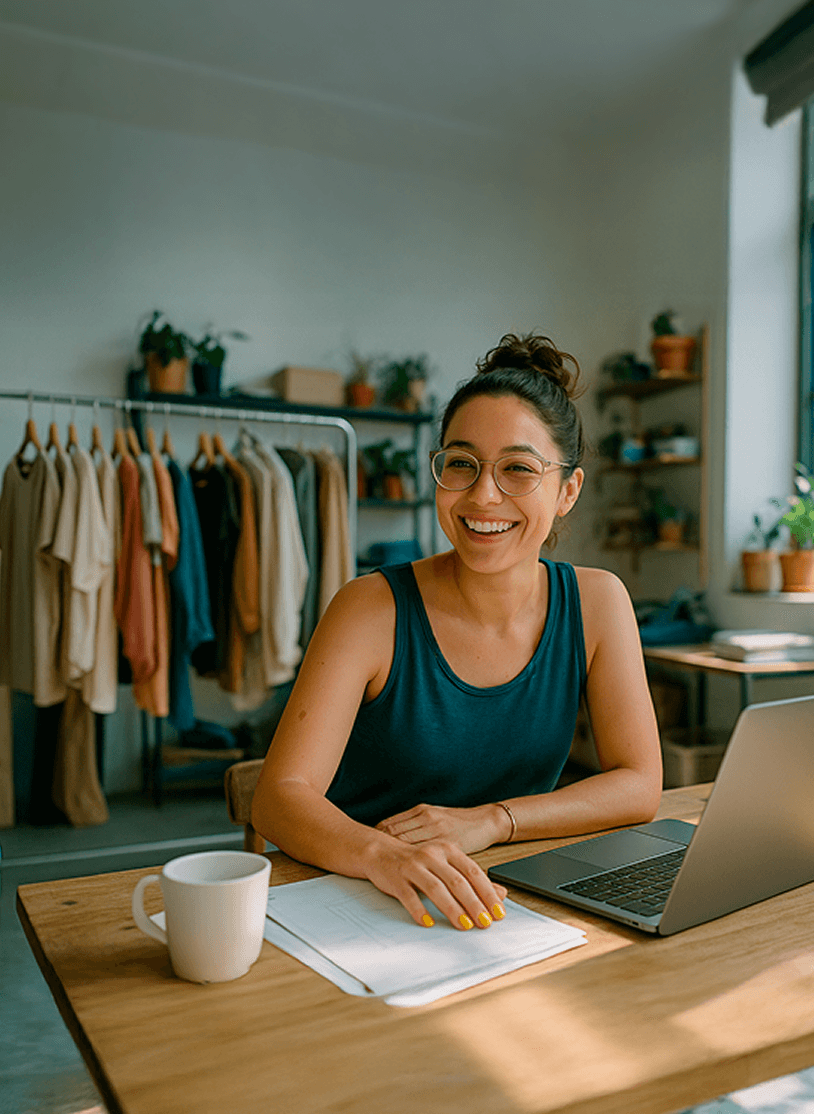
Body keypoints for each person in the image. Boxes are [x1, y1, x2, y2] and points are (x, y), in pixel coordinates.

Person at [252, 333, 663, 932]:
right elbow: (278, 795)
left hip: (501, 896)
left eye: (519, 469)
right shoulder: (370, 608)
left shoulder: (598, 602)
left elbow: (640, 783)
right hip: (354, 899)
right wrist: (385, 854)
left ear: (567, 490)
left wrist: (493, 820)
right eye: (462, 464)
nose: (482, 496)